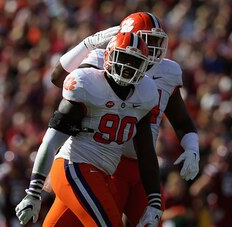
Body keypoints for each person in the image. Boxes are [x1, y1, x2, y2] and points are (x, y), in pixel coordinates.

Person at [51, 12, 200, 226]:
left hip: (145, 166)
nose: (153, 48)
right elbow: (58, 79)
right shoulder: (104, 59)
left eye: (157, 41)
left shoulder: (168, 71)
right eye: (147, 40)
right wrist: (89, 43)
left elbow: (182, 121)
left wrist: (192, 148)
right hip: (108, 163)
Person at [15, 32, 163, 227]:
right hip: (75, 166)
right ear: (109, 57)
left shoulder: (146, 93)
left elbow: (145, 152)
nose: (128, 66)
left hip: (99, 175)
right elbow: (51, 141)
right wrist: (33, 192)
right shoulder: (88, 84)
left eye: (135, 61)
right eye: (124, 58)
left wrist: (154, 201)